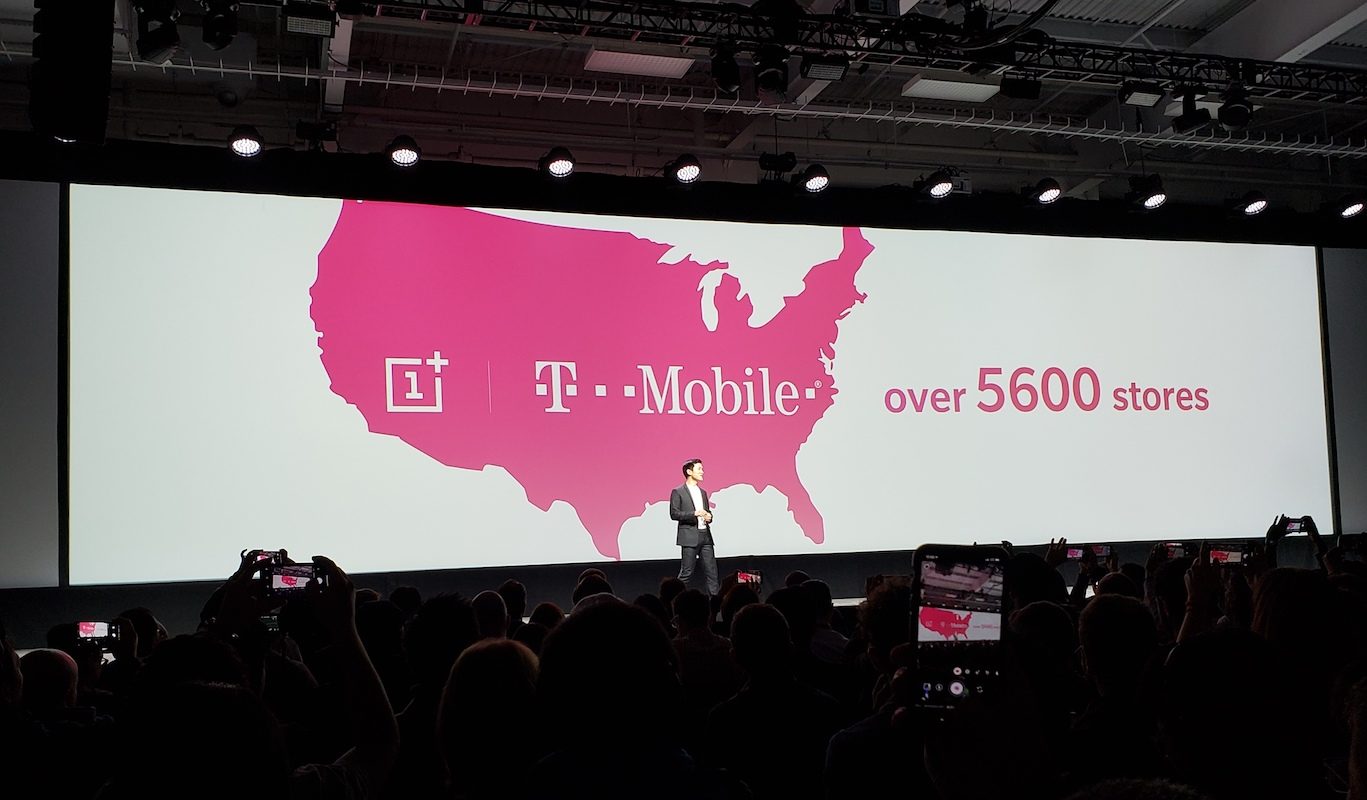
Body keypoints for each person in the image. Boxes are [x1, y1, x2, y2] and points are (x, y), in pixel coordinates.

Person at [670, 458, 718, 597]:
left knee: (712, 573)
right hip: (689, 537)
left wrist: (709, 516)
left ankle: (715, 603)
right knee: (686, 573)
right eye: (699, 469)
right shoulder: (678, 492)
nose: (702, 472)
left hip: (705, 537)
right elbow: (674, 514)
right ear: (689, 472)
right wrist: (694, 513)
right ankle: (674, 599)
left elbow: (707, 512)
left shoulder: (702, 492)